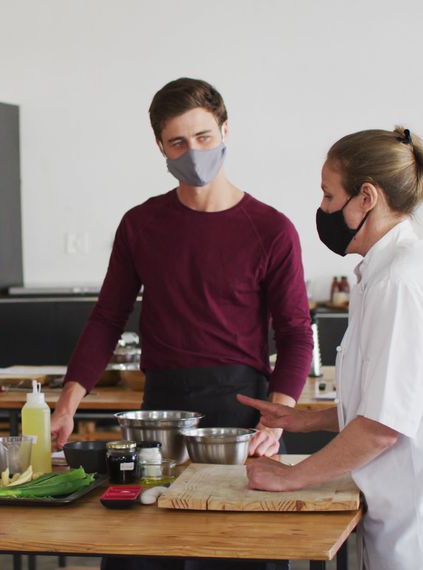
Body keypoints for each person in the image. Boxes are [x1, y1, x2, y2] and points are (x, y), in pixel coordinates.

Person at [238, 127, 423, 569]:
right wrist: (308, 420)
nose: (321, 209)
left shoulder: (402, 283)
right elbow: (396, 402)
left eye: (328, 196)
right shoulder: (385, 273)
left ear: (366, 198)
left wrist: (291, 478)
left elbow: (382, 426)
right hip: (407, 513)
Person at [49, 78, 312, 455]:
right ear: (161, 147)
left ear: (224, 130)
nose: (193, 152)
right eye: (178, 143)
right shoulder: (140, 224)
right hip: (161, 409)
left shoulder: (271, 230)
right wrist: (66, 405)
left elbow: (296, 333)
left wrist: (275, 421)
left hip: (242, 415)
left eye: (204, 137)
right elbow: (107, 319)